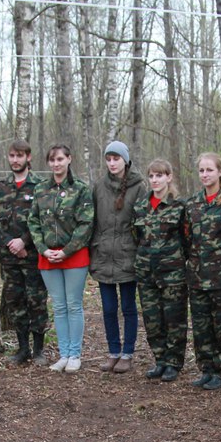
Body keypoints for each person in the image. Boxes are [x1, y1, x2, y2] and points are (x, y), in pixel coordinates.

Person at [30, 144, 94, 373]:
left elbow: (86, 224)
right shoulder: (40, 189)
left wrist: (67, 250)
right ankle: (63, 353)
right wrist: (43, 248)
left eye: (60, 159)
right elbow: (33, 221)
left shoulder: (81, 189)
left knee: (73, 305)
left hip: (74, 255)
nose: (56, 164)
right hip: (48, 256)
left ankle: (75, 354)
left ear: (69, 159)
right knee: (58, 306)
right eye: (52, 160)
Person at [0, 140, 50, 365]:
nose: (15, 160)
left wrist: (24, 242)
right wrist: (9, 243)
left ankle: (39, 350)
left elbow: (44, 220)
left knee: (37, 301)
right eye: (12, 155)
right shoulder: (1, 187)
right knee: (15, 302)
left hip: (34, 257)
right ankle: (23, 349)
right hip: (9, 258)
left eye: (19, 155)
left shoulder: (41, 186)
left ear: (28, 157)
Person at [185, 152, 221, 390]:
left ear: (220, 171)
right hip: (198, 276)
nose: (205, 175)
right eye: (201, 171)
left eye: (210, 170)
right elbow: (187, 239)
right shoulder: (193, 203)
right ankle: (206, 368)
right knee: (201, 327)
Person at [91, 141, 145, 373]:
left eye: (116, 159)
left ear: (125, 160)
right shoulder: (98, 187)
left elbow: (143, 223)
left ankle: (128, 353)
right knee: (109, 307)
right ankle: (113, 350)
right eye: (108, 159)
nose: (112, 163)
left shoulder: (139, 186)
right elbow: (92, 221)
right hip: (103, 256)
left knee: (128, 307)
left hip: (128, 256)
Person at [133, 159, 188, 382]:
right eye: (152, 176)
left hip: (172, 273)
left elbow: (187, 239)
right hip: (146, 273)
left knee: (174, 318)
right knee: (152, 318)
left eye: (160, 175)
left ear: (169, 177)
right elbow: (136, 238)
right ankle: (160, 359)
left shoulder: (179, 206)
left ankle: (174, 363)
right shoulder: (140, 207)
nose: (155, 180)